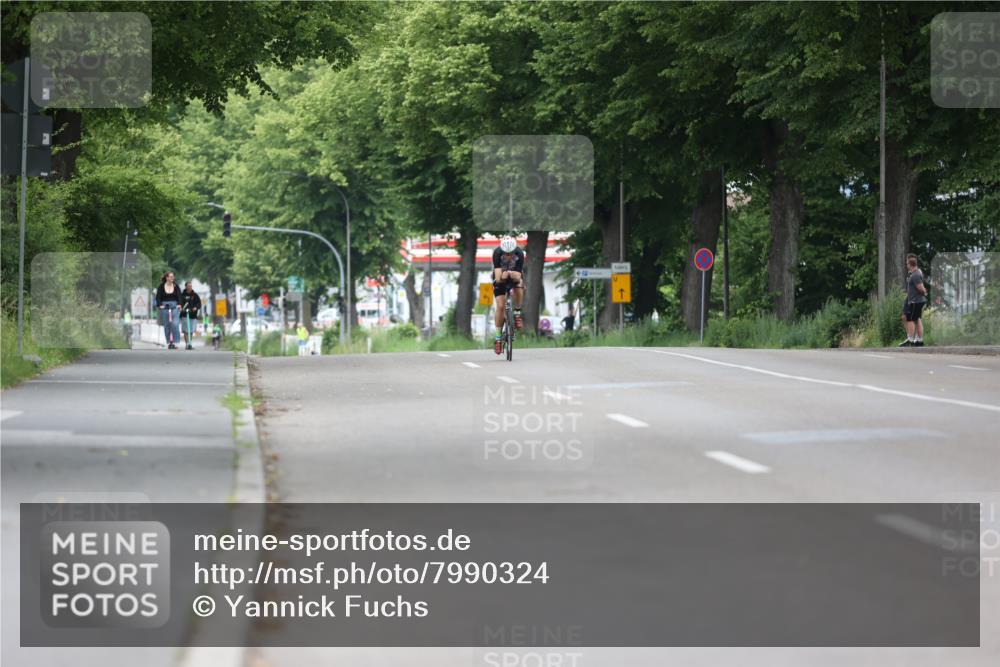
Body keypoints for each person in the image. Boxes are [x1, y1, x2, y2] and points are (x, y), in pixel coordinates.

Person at [492, 235, 525, 354]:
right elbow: (498, 277)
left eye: (511, 253)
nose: (508, 256)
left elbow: (518, 276)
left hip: (514, 276)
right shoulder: (497, 253)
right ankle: (498, 339)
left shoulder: (520, 253)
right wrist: (504, 275)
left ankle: (517, 313)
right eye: (506, 253)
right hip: (500, 277)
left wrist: (510, 273)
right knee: (500, 306)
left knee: (519, 285)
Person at [900, 253, 928, 347]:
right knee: (916, 319)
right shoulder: (914, 274)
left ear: (910, 264)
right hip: (914, 299)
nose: (906, 265)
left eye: (907, 263)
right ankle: (919, 340)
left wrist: (924, 292)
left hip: (915, 301)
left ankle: (911, 340)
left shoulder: (915, 275)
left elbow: (921, 288)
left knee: (911, 319)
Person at [156, 272, 182, 349]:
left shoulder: (176, 286)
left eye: (173, 276)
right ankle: (168, 341)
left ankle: (176, 341)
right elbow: (158, 297)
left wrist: (180, 304)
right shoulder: (161, 286)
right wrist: (160, 305)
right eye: (171, 277)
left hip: (174, 306)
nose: (172, 278)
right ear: (167, 278)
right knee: (167, 325)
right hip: (164, 306)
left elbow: (179, 296)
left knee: (175, 324)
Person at [179, 282, 202, 350]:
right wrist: (181, 308)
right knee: (185, 330)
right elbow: (180, 303)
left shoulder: (195, 295)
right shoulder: (182, 295)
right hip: (184, 314)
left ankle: (190, 343)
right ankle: (187, 344)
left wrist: (195, 307)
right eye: (188, 286)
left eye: (191, 286)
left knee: (191, 330)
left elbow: (199, 303)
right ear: (185, 287)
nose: (190, 287)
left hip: (192, 315)